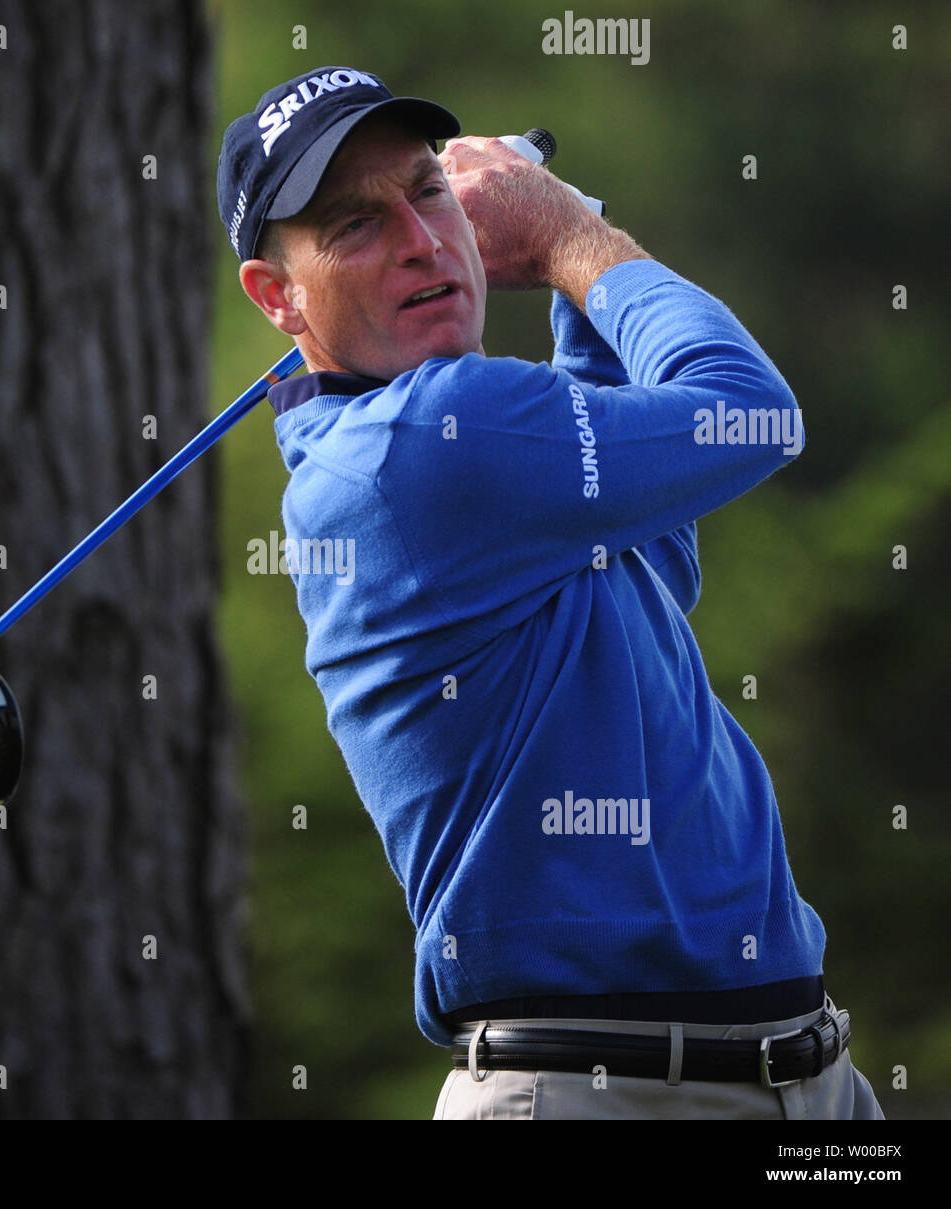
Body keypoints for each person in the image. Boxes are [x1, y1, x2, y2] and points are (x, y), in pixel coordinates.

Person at [217, 66, 883, 1120]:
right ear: (274, 294)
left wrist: (569, 250)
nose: (420, 240)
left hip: (807, 1076)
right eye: (353, 223)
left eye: (427, 192)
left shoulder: (483, 450)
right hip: (594, 1091)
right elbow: (747, 411)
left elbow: (653, 550)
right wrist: (570, 238)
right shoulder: (415, 446)